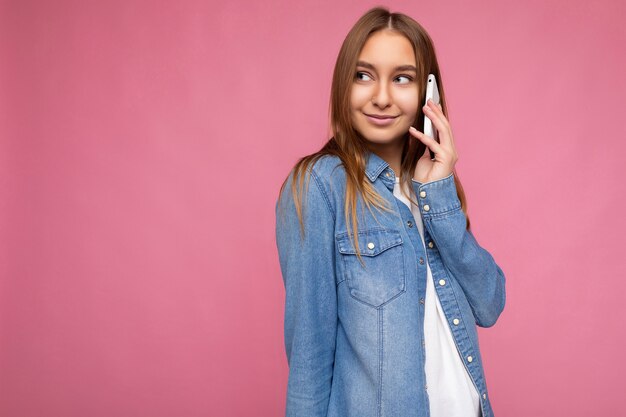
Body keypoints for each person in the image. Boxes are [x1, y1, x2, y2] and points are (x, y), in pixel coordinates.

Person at [274, 7, 506, 417]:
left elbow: (490, 303)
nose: (381, 96)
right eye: (363, 75)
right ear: (343, 84)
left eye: (402, 78)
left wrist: (439, 193)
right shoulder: (319, 186)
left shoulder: (433, 188)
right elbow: (308, 358)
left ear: (427, 94)